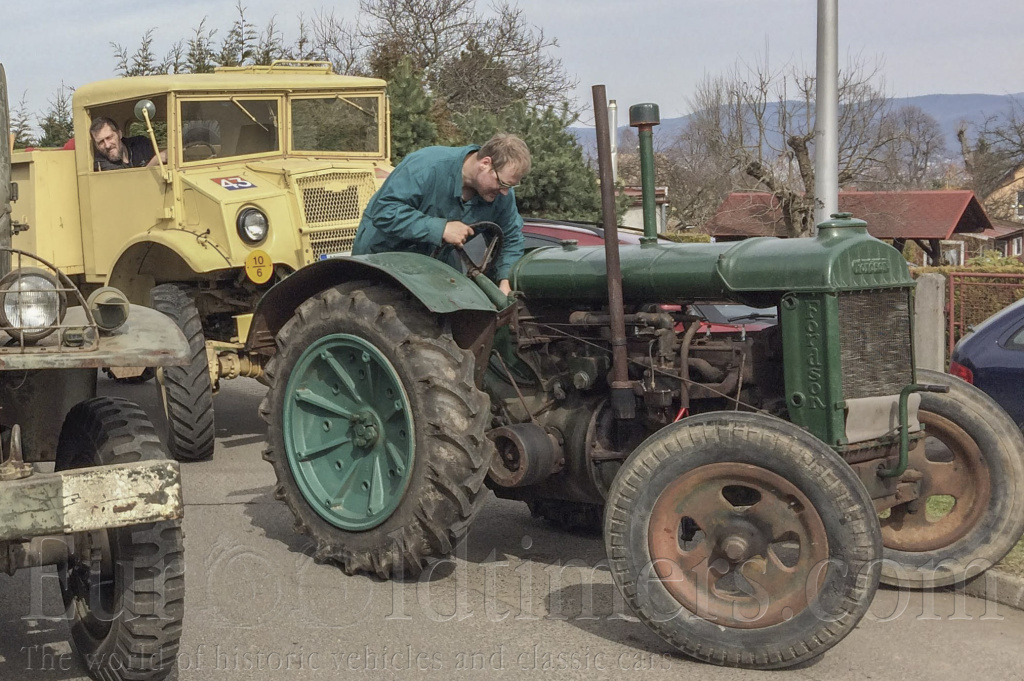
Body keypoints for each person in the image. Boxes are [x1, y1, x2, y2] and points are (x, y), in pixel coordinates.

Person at [352, 134, 531, 295]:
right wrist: (441, 228)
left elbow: (510, 237)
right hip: (383, 259)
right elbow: (384, 211)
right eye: (502, 183)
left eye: (510, 186)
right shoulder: (427, 165)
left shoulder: (500, 194)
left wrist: (505, 280)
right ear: (485, 164)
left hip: (436, 265)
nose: (505, 192)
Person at [90, 116, 165, 171]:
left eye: (109, 138)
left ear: (119, 134)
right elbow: (128, 185)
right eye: (101, 142)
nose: (107, 145)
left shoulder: (141, 143)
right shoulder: (101, 164)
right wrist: (156, 161)